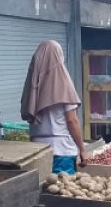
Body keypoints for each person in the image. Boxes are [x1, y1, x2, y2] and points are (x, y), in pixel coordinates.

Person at [21, 40, 86, 175]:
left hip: (37, 151)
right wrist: (82, 149)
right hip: (61, 151)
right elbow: (72, 121)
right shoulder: (63, 83)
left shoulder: (32, 86)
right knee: (62, 192)